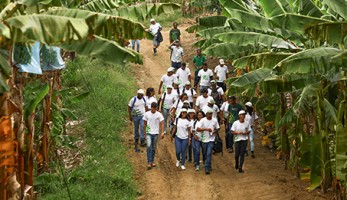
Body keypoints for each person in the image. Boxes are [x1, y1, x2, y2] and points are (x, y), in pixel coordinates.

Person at [196, 108, 220, 174]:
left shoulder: (214, 120)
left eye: (211, 113)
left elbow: (218, 128)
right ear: (206, 114)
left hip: (211, 139)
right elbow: (197, 129)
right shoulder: (202, 120)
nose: (210, 115)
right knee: (205, 153)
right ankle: (207, 164)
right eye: (209, 113)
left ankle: (207, 168)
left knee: (209, 153)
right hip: (204, 139)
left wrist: (214, 131)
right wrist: (206, 129)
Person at [143, 102, 164, 169]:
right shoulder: (147, 114)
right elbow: (145, 124)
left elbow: (162, 123)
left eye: (155, 108)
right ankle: (149, 161)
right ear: (151, 107)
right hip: (149, 132)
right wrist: (145, 132)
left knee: (153, 147)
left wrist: (162, 132)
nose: (154, 110)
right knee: (149, 146)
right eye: (153, 108)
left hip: (155, 133)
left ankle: (152, 160)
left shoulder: (159, 115)